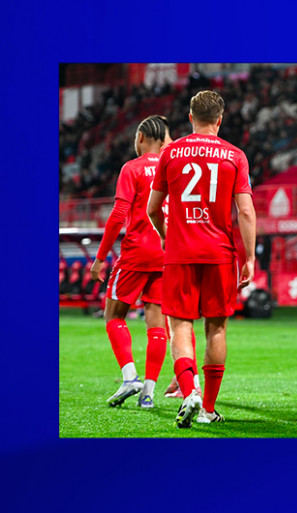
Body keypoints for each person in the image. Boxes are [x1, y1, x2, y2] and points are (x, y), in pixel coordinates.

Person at [147, 90, 257, 428]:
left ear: (190, 117)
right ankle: (208, 408)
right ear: (220, 119)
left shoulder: (170, 153)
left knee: (180, 325)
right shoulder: (235, 155)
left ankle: (188, 391)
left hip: (180, 252)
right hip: (219, 254)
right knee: (217, 328)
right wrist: (250, 257)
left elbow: (153, 208)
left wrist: (166, 234)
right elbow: (246, 212)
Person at [89, 115, 172, 409]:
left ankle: (129, 377)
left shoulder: (132, 168)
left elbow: (117, 216)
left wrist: (100, 258)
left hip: (136, 252)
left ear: (140, 138)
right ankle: (148, 393)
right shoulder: (172, 168)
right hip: (166, 253)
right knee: (156, 323)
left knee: (113, 315)